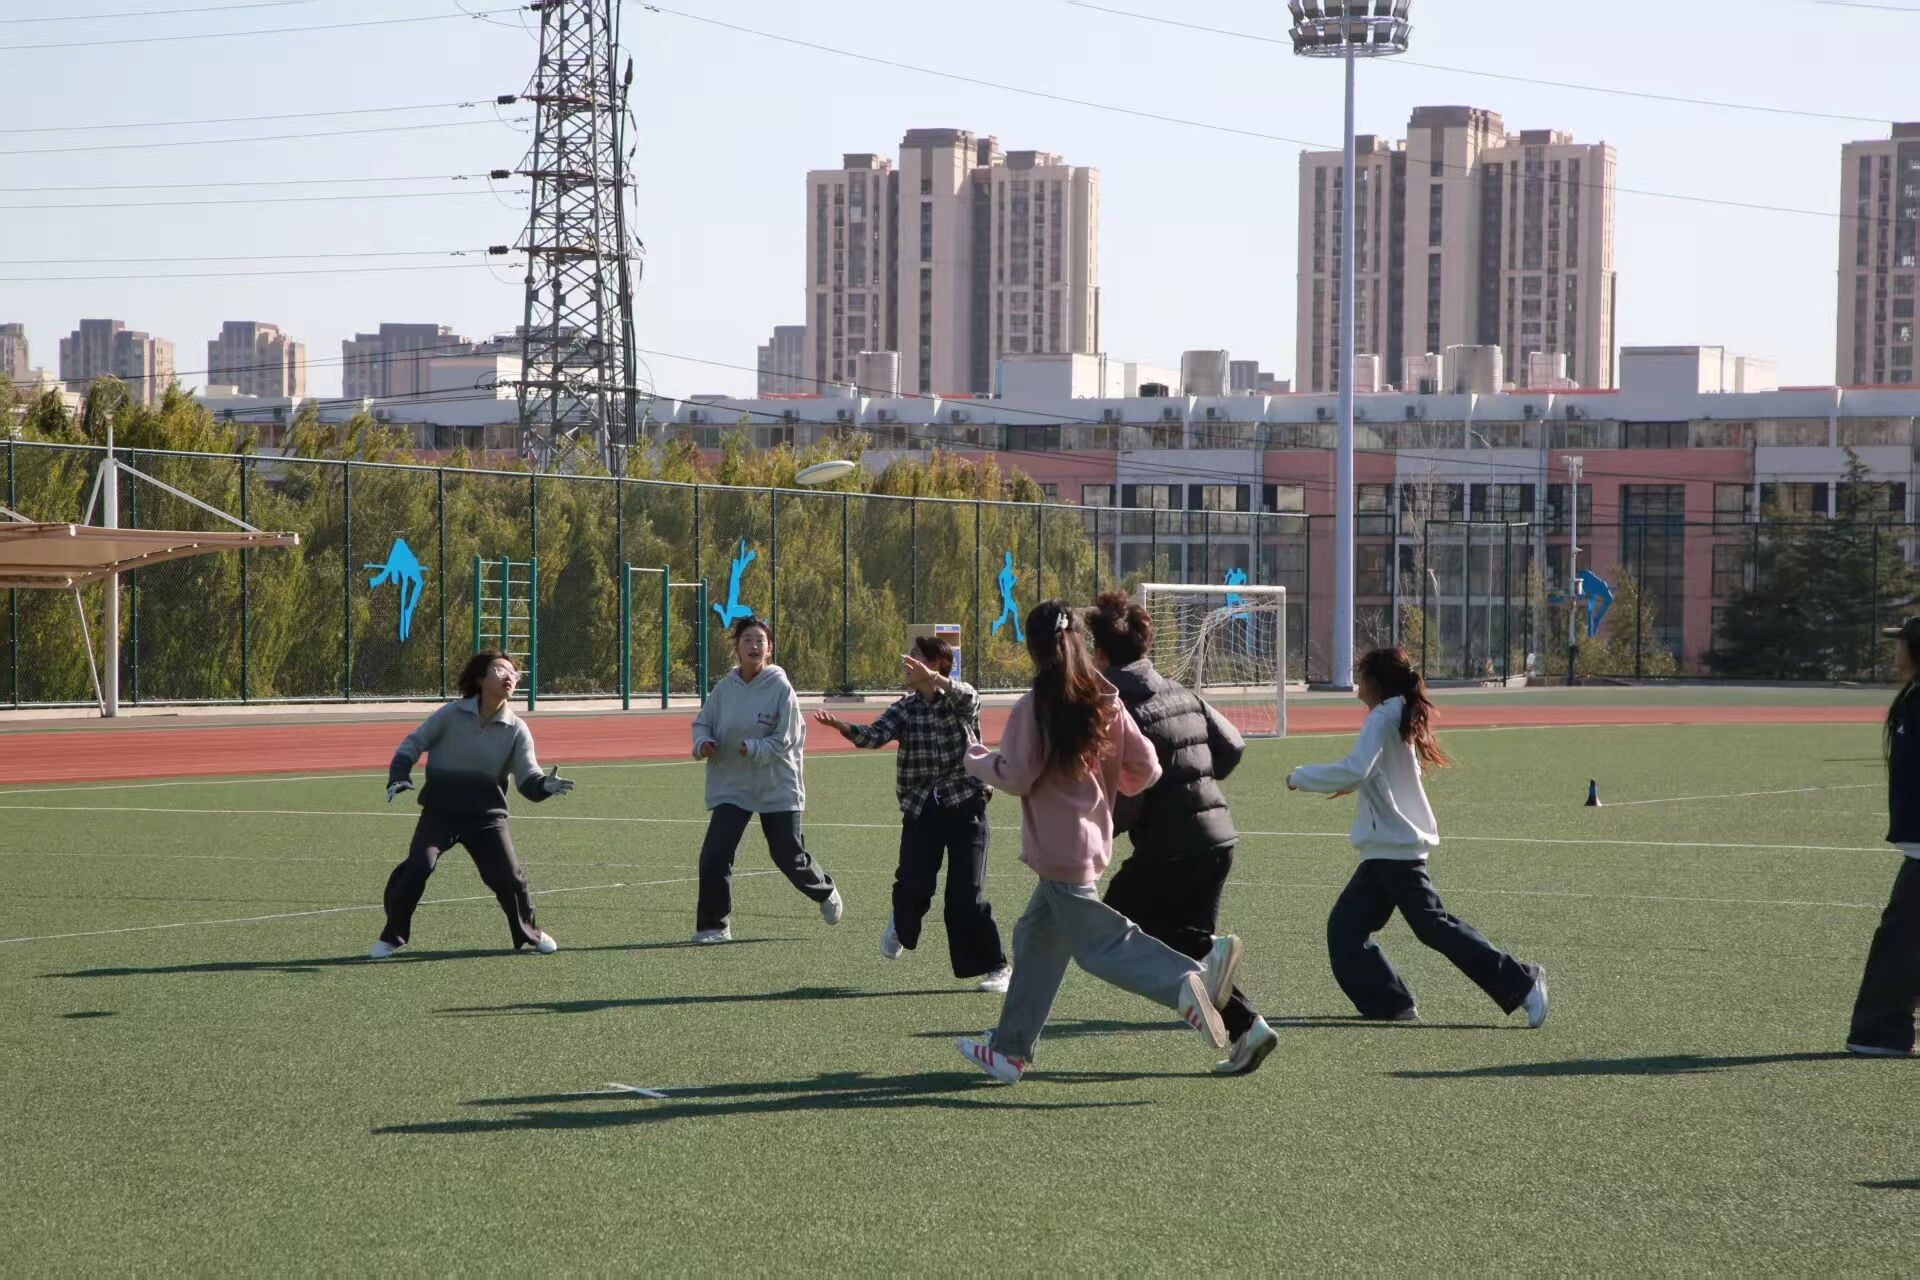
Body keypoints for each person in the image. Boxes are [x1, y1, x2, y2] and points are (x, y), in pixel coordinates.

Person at [953, 600, 1241, 1084]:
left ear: (1034, 649)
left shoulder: (1035, 706)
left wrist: (975, 758)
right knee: (1035, 940)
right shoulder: (1106, 700)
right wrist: (1108, 786)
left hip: (1059, 849)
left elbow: (1018, 775)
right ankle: (1009, 1051)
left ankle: (1189, 980)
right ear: (1079, 643)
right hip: (1089, 841)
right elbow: (1147, 769)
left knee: (1102, 945)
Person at [1287, 646, 1548, 1027]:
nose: (1357, 684)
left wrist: (1299, 777)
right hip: (1385, 850)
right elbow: (1377, 771)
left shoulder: (1382, 717)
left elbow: (1356, 769)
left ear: (1376, 682)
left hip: (1395, 850)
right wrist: (1359, 783)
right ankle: (1391, 1004)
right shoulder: (1396, 714)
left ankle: (1522, 983)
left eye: (1361, 676)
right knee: (1346, 929)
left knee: (1432, 927)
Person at [1085, 591, 1278, 1076]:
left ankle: (1214, 953)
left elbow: (1129, 797)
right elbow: (1232, 746)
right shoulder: (1178, 690)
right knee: (1192, 959)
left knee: (1118, 918)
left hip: (1171, 847)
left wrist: (1104, 830)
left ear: (1101, 654)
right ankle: (1249, 1030)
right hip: (1218, 839)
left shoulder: (1115, 705)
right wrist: (1200, 781)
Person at [814, 636, 1011, 992]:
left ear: (935, 664)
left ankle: (995, 967)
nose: (907, 660)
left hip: (966, 803)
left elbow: (970, 699)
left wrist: (936, 680)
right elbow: (875, 735)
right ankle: (901, 924)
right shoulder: (905, 708)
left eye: (916, 656)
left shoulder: (959, 699)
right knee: (913, 887)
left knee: (967, 893)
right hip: (922, 808)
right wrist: (844, 727)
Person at [372, 649, 574, 958]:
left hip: (486, 819)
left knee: (509, 878)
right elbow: (413, 743)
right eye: (501, 670)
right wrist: (398, 774)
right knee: (418, 866)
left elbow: (528, 777)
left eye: (514, 674)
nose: (510, 677)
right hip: (441, 812)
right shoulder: (451, 714)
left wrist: (543, 785)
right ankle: (392, 937)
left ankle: (530, 934)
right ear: (480, 678)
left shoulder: (516, 728)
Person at [691, 617, 842, 943]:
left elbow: (787, 737)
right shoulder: (724, 689)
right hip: (733, 784)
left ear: (769, 648)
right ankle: (713, 926)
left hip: (776, 783)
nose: (754, 646)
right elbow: (702, 723)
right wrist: (703, 743)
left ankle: (824, 891)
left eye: (760, 640)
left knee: (788, 855)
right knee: (715, 853)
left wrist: (755, 747)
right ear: (737, 647)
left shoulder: (781, 688)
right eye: (747, 640)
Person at [1845, 617, 1920, 1057]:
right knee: (1903, 940)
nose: (1896, 652)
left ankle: (1879, 1032)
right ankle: (1878, 1032)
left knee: (1902, 941)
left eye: (1902, 644)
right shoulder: (1912, 699)